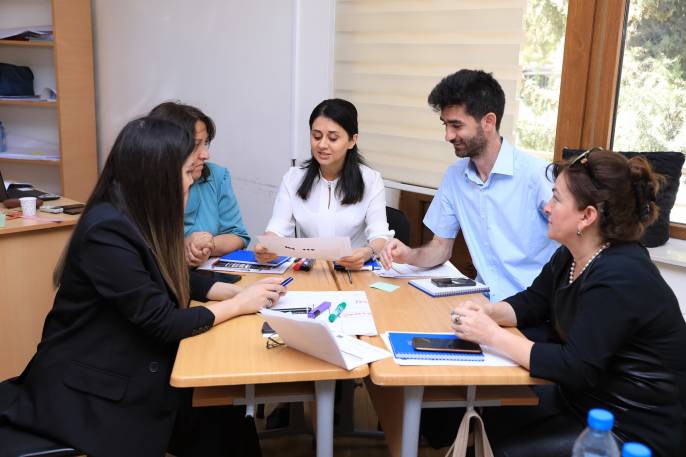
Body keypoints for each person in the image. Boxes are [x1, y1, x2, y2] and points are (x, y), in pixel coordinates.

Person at [0, 117, 287, 457]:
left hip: (130, 367)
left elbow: (155, 274)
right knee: (217, 410)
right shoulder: (106, 231)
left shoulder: (132, 215)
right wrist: (239, 305)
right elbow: (162, 321)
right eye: (186, 173)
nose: (190, 182)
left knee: (224, 409)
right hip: (94, 390)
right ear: (157, 177)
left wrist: (231, 292)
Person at [450, 149, 686, 456]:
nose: (547, 207)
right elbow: (535, 301)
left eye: (557, 199)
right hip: (584, 401)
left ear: (587, 216)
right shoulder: (572, 254)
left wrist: (492, 335)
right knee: (487, 418)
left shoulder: (622, 274)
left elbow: (575, 366)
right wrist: (489, 311)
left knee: (501, 449)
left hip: (630, 427)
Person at [379, 69, 558, 302]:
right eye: (445, 125)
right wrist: (408, 255)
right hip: (482, 303)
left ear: (488, 122)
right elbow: (441, 247)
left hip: (533, 307)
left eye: (456, 125)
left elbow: (576, 246)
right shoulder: (455, 176)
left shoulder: (538, 176)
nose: (448, 136)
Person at [255, 98, 393, 270]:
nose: (322, 145)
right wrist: (267, 246)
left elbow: (380, 235)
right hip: (309, 271)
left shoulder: (371, 180)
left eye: (333, 138)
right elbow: (277, 229)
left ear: (352, 141)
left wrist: (366, 253)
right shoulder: (293, 178)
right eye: (316, 136)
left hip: (353, 271)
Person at [149, 101, 250, 267]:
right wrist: (181, 248)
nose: (205, 155)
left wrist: (206, 246)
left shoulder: (217, 176)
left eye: (206, 143)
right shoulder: (146, 186)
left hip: (206, 275)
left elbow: (238, 236)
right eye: (196, 145)